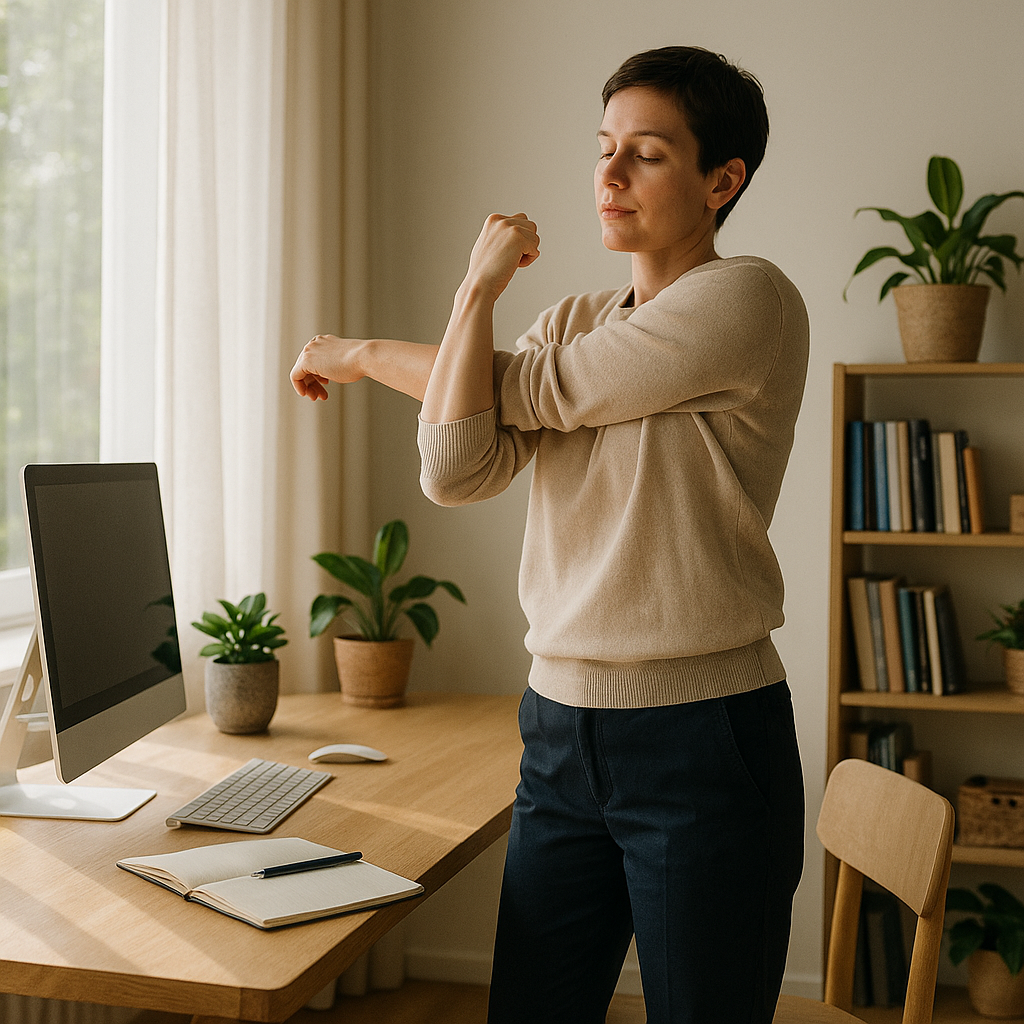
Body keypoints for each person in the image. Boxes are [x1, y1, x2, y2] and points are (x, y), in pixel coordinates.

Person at [291, 45, 809, 1024]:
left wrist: (388, 338)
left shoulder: (748, 300)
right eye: (604, 147)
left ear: (720, 180)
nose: (608, 175)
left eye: (646, 154)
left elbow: (532, 390)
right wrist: (467, 304)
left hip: (701, 738)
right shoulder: (574, 314)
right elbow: (455, 467)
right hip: (559, 732)